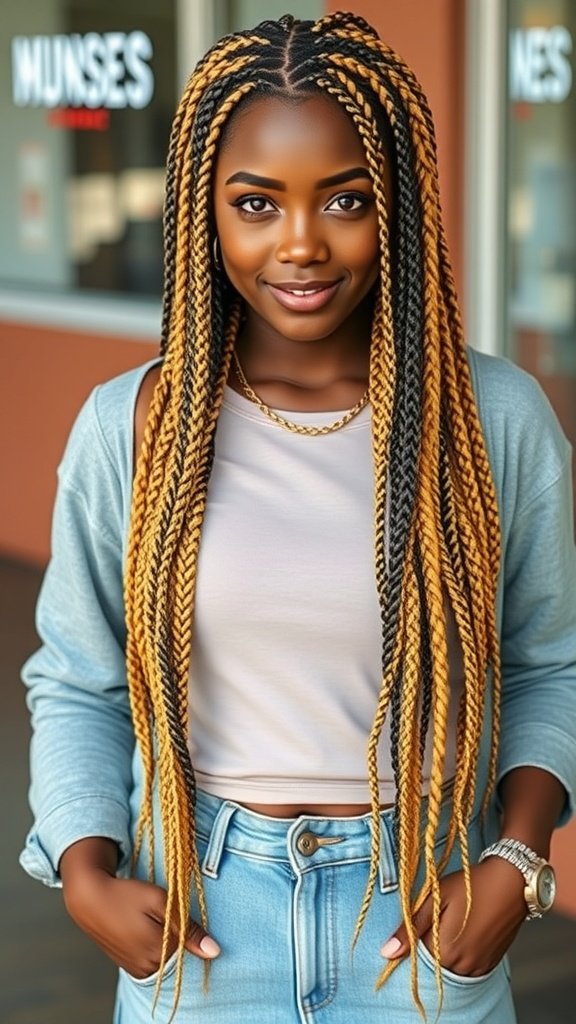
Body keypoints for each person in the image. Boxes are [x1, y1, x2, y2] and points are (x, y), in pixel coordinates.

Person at [20, 12, 576, 1024]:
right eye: (256, 203)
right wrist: (85, 868)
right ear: (205, 213)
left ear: (399, 208)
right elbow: (77, 675)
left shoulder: (490, 422)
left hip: (419, 917)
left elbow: (550, 664)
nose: (301, 243)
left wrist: (515, 862)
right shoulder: (134, 428)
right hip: (200, 916)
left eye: (347, 199)